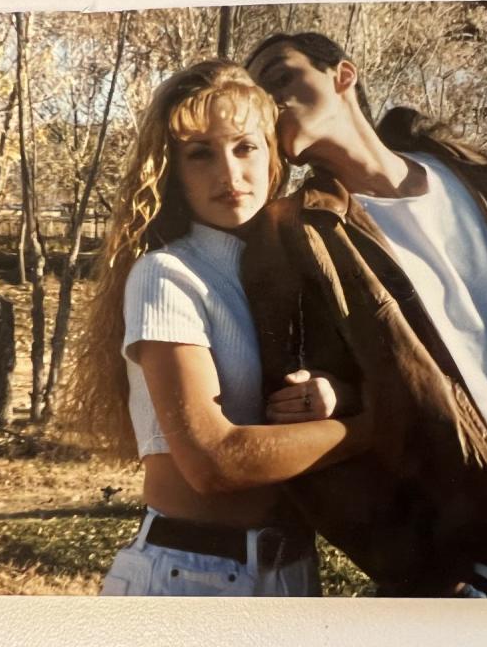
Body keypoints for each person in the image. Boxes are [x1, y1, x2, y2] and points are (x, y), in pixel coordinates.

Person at [241, 32, 487, 598]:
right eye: (258, 92)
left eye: (281, 75)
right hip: (474, 577)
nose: (270, 99)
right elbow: (306, 437)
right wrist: (420, 571)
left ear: (343, 75)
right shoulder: (299, 236)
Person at [64, 60, 370, 597]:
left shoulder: (301, 268)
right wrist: (377, 427)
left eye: (244, 147)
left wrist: (337, 395)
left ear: (273, 155)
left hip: (294, 574)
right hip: (193, 577)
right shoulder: (167, 275)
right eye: (200, 154)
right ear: (173, 172)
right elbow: (213, 464)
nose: (229, 175)